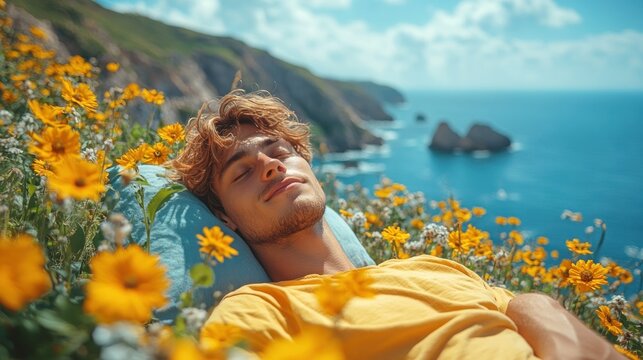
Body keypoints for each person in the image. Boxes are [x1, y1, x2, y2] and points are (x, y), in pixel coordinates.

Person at [169, 90, 622, 359]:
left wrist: (534, 305)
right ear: (223, 217)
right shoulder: (260, 310)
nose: (269, 166)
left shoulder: (435, 268)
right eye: (242, 172)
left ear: (308, 166)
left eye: (280, 151)